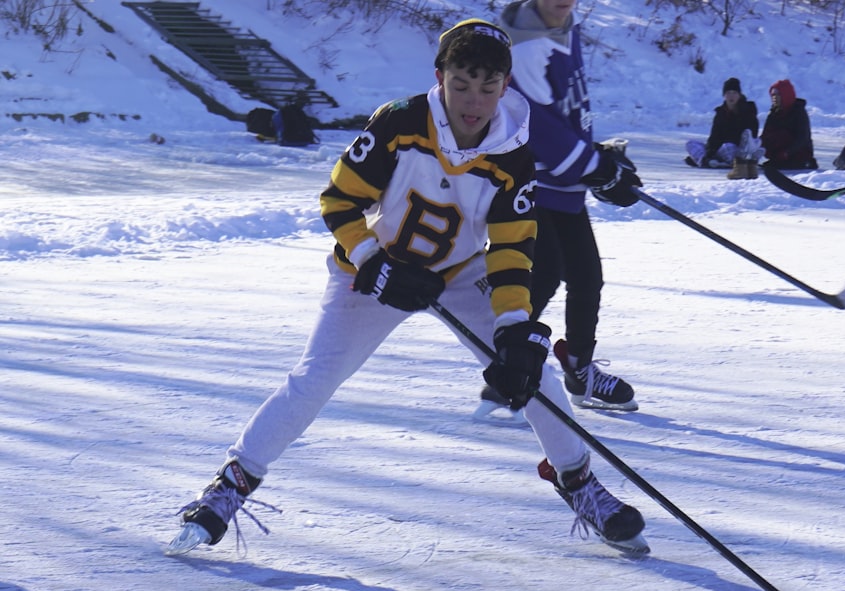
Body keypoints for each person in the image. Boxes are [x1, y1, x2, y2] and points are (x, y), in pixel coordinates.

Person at [167, 19, 648, 558]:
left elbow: (514, 249)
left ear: (506, 86)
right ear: (439, 76)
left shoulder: (514, 150)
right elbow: (338, 201)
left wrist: (514, 326)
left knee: (535, 376)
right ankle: (231, 484)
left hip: (463, 273)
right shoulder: (399, 122)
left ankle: (578, 483)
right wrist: (372, 258)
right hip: (373, 269)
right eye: (461, 85)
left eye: (488, 88)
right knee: (316, 376)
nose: (473, 101)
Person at [485, 0, 640, 420]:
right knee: (546, 274)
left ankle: (579, 369)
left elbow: (566, 109)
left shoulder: (563, 25)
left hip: (564, 184)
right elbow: (536, 124)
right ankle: (504, 369)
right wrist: (596, 168)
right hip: (532, 182)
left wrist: (599, 158)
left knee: (588, 276)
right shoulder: (524, 43)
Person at [685, 77, 764, 180]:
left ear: (739, 95)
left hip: (737, 148)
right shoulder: (720, 113)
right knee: (690, 144)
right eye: (728, 93)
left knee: (729, 147)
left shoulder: (748, 111)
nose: (731, 96)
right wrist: (710, 152)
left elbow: (751, 134)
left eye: (734, 93)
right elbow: (714, 137)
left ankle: (730, 163)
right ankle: (707, 161)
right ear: (724, 95)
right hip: (720, 149)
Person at [761, 79, 818, 170]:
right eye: (773, 95)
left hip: (798, 156)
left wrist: (787, 152)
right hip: (778, 156)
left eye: (778, 95)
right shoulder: (773, 114)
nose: (774, 98)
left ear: (785, 95)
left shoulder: (798, 112)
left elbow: (803, 138)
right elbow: (765, 134)